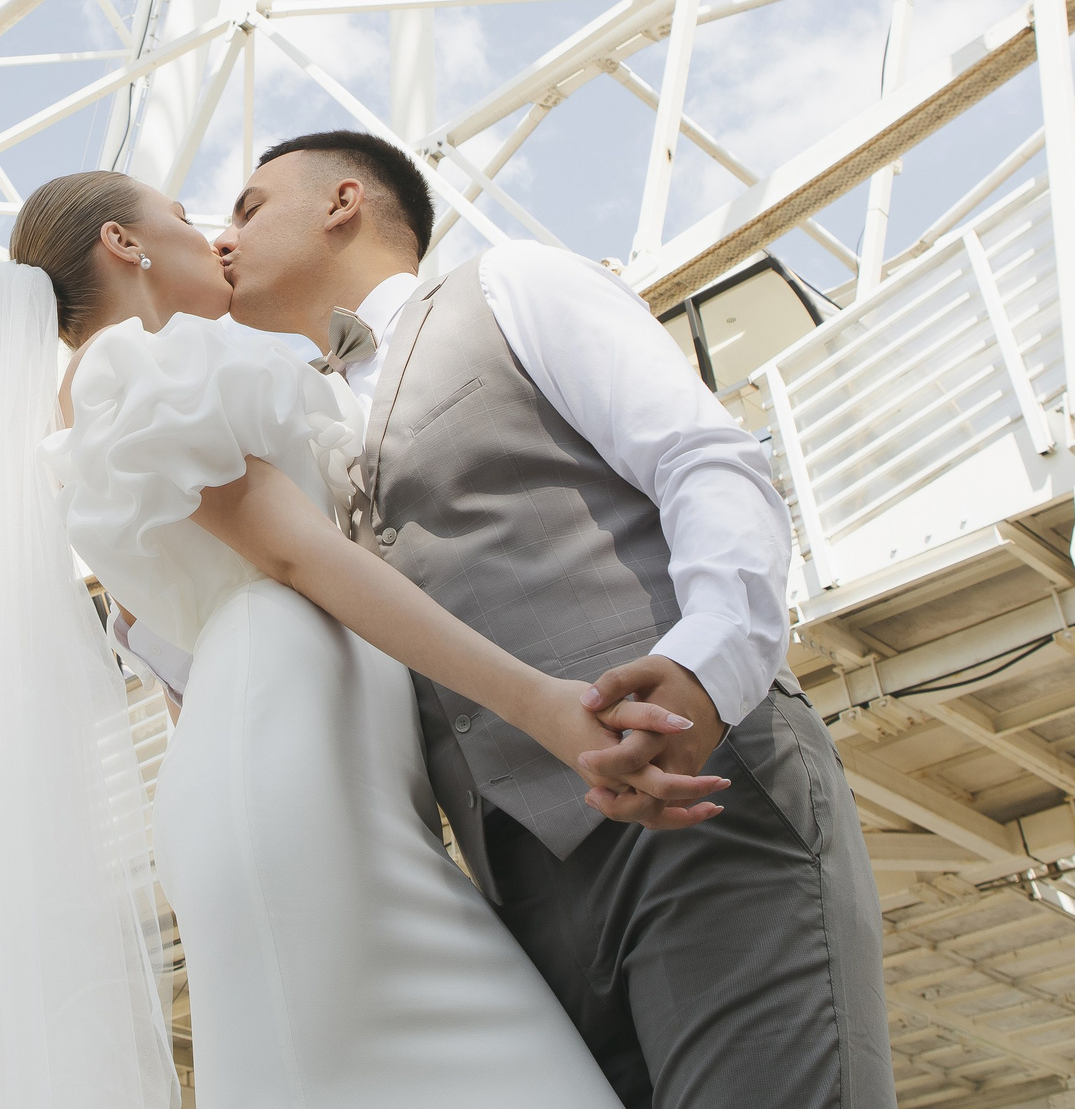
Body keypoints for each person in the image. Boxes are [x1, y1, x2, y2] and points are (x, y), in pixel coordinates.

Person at [0, 170, 721, 1109]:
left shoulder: (114, 398)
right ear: (124, 246)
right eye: (181, 218)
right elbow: (296, 557)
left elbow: (179, 666)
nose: (212, 238)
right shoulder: (129, 366)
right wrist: (542, 703)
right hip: (291, 778)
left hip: (306, 773)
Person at [215, 130, 893, 1109]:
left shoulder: (512, 285)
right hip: (516, 887)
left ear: (342, 201)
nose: (223, 239)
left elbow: (702, 459)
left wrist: (706, 664)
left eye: (247, 207)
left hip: (699, 791)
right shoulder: (295, 435)